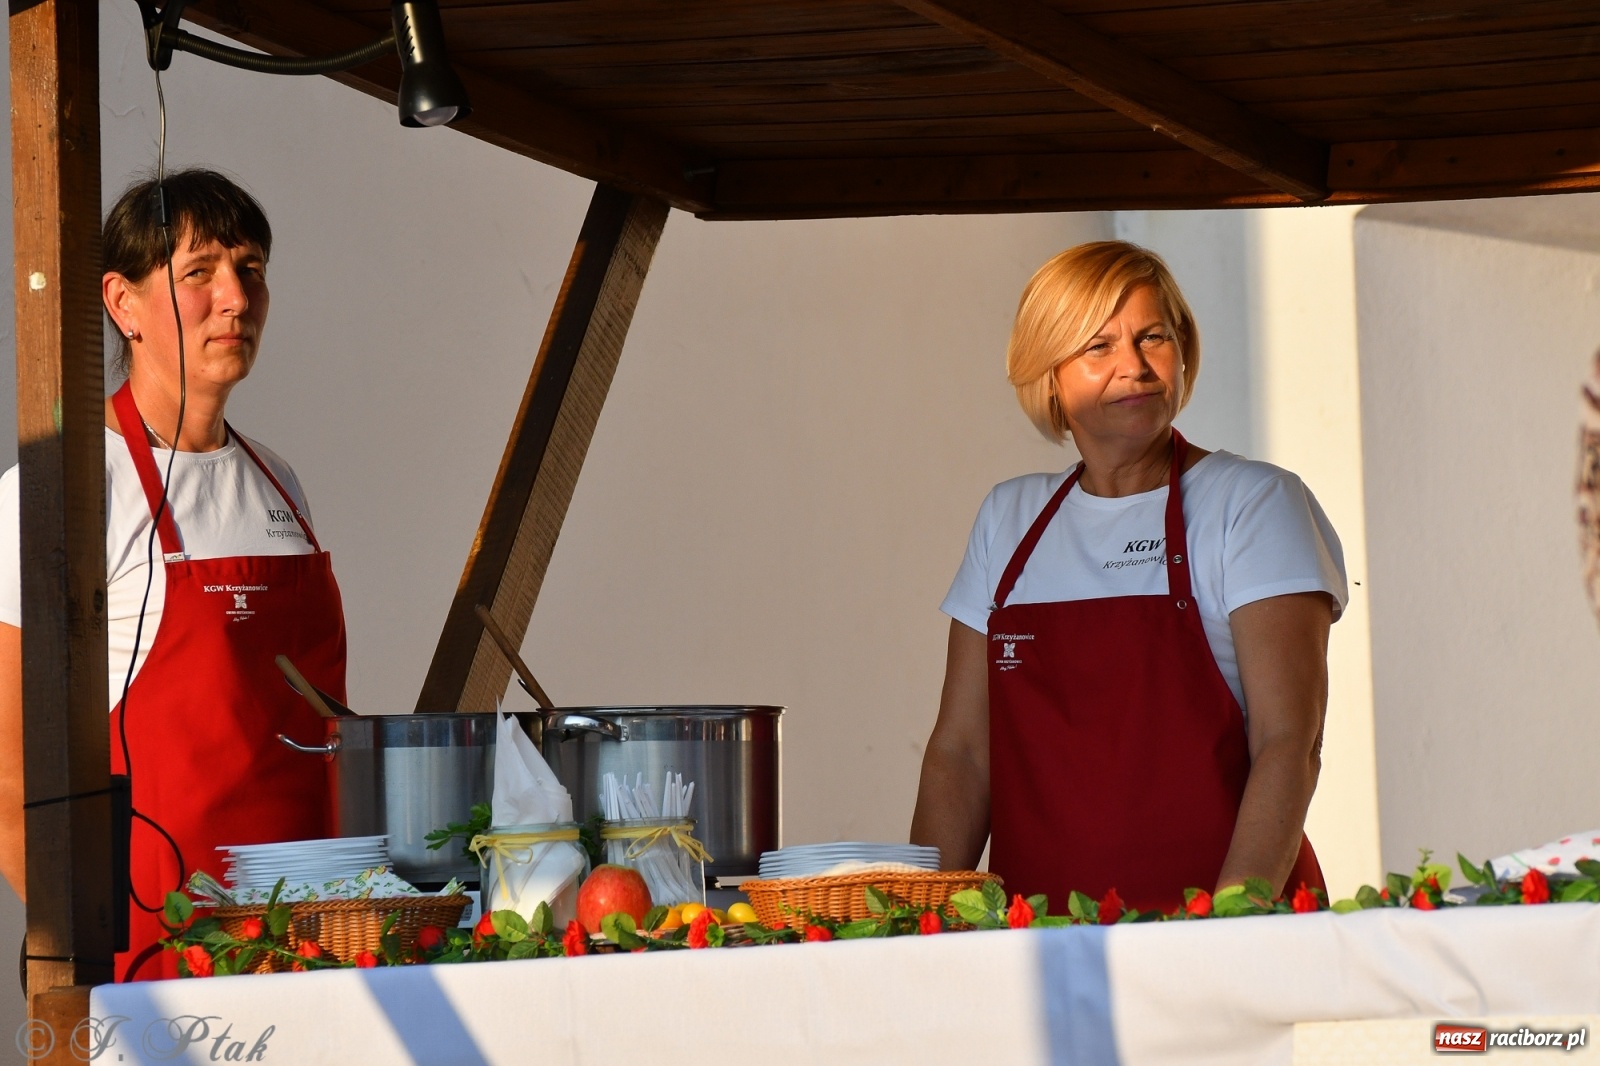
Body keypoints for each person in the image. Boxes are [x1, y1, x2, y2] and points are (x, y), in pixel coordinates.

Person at [910, 241, 1346, 913]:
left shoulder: (1252, 503)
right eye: (1099, 347)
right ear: (1048, 375)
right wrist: (916, 923)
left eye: (1153, 338)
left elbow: (1289, 742)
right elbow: (962, 754)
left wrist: (1231, 921)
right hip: (1040, 940)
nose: (1136, 367)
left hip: (1221, 927)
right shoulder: (1008, 519)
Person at [0, 169, 347, 979]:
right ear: (122, 302)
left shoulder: (278, 482)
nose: (236, 298)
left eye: (251, 269)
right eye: (199, 272)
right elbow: (10, 777)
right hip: (158, 952)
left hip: (313, 939)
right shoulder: (64, 489)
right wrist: (88, 958)